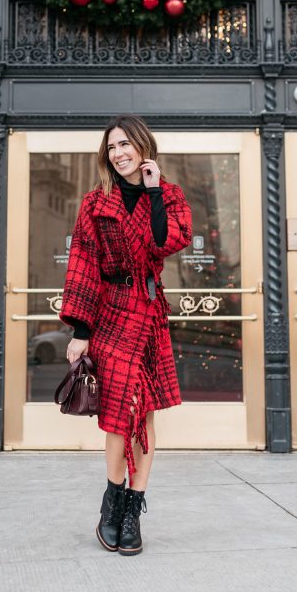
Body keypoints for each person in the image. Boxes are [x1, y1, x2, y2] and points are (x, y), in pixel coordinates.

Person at [60, 115, 192, 556]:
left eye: (125, 144)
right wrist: (81, 329)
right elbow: (82, 262)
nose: (118, 153)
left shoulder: (169, 196)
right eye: (111, 147)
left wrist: (153, 190)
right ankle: (112, 501)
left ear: (142, 146)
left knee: (144, 415)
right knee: (118, 416)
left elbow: (165, 242)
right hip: (111, 314)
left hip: (149, 314)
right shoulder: (96, 202)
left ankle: (133, 508)